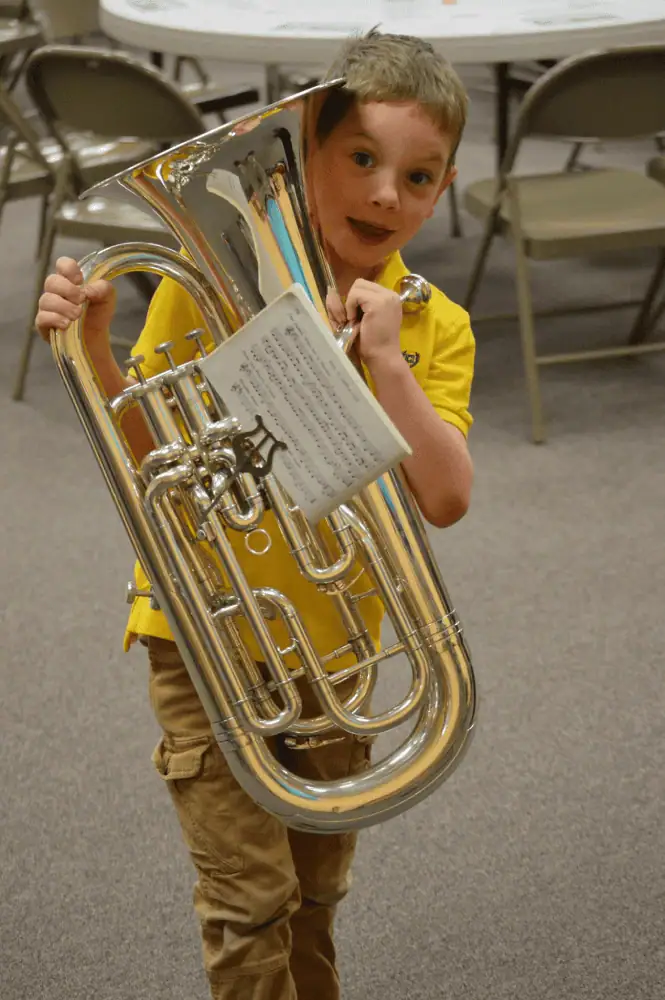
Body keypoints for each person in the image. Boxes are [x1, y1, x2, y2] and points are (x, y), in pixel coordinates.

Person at [35, 29, 475, 1000]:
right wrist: (96, 347)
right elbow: (150, 465)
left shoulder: (434, 322)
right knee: (249, 900)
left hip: (339, 656)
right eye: (359, 158)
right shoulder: (198, 292)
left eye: (418, 175)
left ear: (442, 191)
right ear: (306, 155)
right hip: (202, 640)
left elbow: (443, 496)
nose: (383, 194)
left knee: (315, 893)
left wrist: (386, 364)